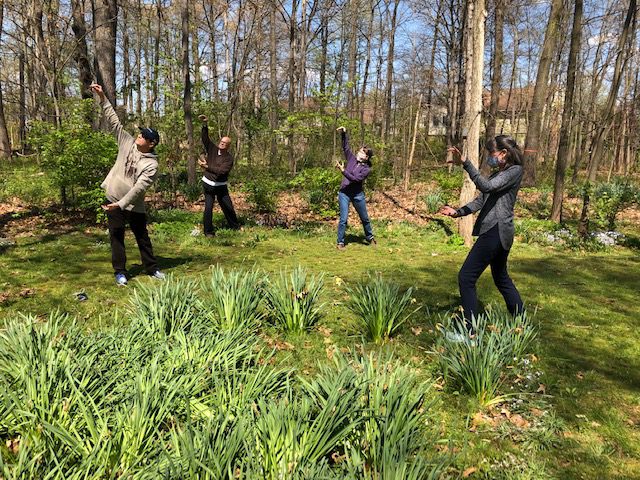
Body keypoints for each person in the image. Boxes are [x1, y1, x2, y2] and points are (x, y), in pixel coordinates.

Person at [439, 135, 525, 331]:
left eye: (491, 153)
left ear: (503, 153)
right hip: (497, 232)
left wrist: (466, 164)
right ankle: (522, 323)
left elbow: (485, 186)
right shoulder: (498, 174)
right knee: (501, 278)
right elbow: (481, 200)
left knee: (466, 277)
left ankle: (469, 331)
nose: (489, 157)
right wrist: (458, 212)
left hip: (496, 231)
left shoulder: (514, 171)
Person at [90, 83, 165, 286]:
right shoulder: (127, 142)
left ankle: (152, 268)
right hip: (112, 198)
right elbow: (114, 122)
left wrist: (122, 204)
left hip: (133, 204)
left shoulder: (152, 164)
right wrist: (103, 98)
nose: (139, 136)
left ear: (152, 143)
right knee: (116, 236)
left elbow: (139, 188)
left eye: (144, 136)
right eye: (140, 134)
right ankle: (120, 272)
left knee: (142, 236)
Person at [197, 115, 240, 236]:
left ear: (228, 146)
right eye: (221, 142)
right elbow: (205, 139)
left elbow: (222, 171)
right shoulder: (212, 149)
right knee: (208, 208)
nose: (222, 144)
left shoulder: (229, 159)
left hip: (221, 186)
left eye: (224, 143)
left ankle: (235, 227)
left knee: (228, 207)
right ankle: (208, 232)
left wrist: (207, 167)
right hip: (208, 185)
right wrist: (205, 125)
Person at [335, 126, 376, 249]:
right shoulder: (352, 159)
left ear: (366, 157)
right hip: (344, 193)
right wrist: (344, 134)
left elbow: (355, 179)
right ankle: (340, 242)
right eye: (359, 151)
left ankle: (370, 237)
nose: (359, 152)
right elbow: (346, 147)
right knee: (343, 219)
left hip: (357, 195)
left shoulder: (366, 169)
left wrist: (343, 171)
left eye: (362, 152)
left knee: (364, 218)